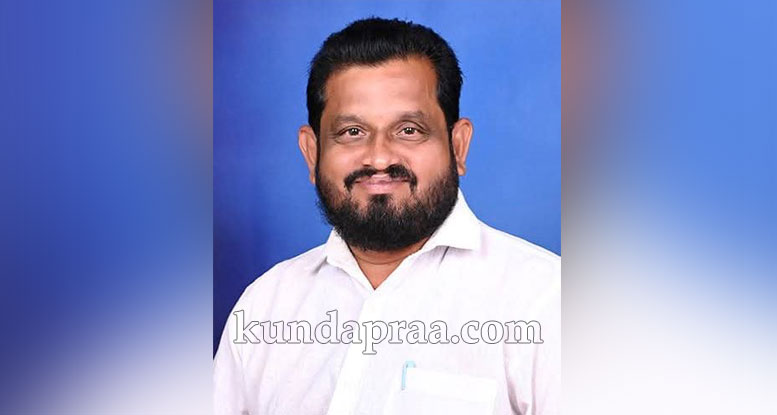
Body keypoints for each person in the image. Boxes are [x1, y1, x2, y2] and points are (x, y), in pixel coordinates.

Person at [214, 17, 560, 415]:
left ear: (458, 146)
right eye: (352, 132)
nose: (379, 158)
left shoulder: (545, 301)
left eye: (409, 130)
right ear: (312, 153)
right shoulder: (265, 306)